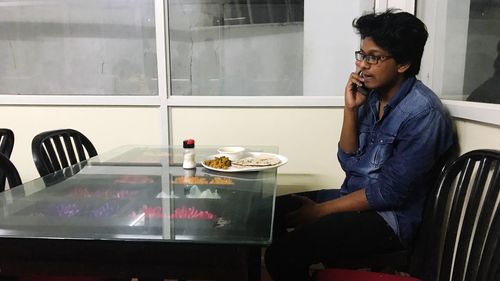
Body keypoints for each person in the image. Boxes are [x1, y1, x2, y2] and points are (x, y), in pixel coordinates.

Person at [264, 10, 454, 281]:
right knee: (267, 213)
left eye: (374, 57)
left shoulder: (424, 114)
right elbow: (349, 161)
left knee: (282, 254)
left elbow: (389, 193)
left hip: (390, 220)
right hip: (353, 195)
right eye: (361, 55)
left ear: (403, 64)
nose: (362, 65)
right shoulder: (372, 97)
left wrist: (319, 212)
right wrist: (350, 109)